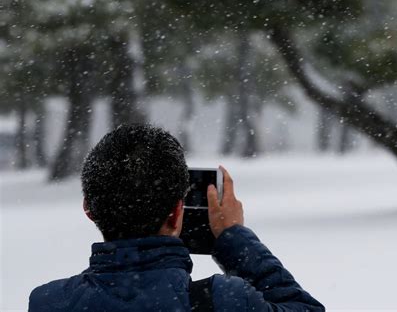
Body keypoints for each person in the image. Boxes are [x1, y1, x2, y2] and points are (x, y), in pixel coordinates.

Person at [29, 124, 325, 311]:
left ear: (88, 209)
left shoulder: (50, 302)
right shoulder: (222, 300)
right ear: (176, 212)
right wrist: (234, 237)